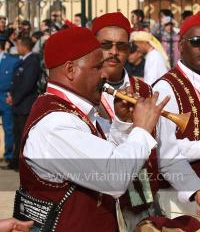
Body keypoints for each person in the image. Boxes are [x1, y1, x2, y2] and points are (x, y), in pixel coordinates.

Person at [14, 27, 170, 232]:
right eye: (97, 67)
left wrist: (123, 125)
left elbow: (109, 158)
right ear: (71, 70)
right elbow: (114, 177)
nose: (105, 73)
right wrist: (141, 129)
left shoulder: (73, 113)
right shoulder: (54, 125)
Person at [92, 12, 200, 231]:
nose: (114, 52)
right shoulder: (78, 92)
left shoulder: (146, 91)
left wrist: (195, 190)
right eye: (106, 45)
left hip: (140, 203)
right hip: (95, 204)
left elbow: (167, 154)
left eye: (122, 46)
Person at [153, 11, 200, 219]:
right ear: (180, 45)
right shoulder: (166, 88)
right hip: (185, 201)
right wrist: (195, 190)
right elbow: (166, 153)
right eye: (197, 41)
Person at [6, 36, 41, 170]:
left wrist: (15, 98)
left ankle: (22, 164)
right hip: (18, 105)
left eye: (18, 45)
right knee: (17, 134)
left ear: (24, 46)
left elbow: (27, 85)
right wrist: (11, 95)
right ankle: (15, 162)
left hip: (25, 105)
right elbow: (16, 81)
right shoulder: (23, 61)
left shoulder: (32, 62)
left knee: (23, 136)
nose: (17, 48)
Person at [0, 35, 20, 164]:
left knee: (8, 127)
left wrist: (12, 94)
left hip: (5, 96)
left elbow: (17, 79)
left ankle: (9, 155)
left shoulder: (12, 60)